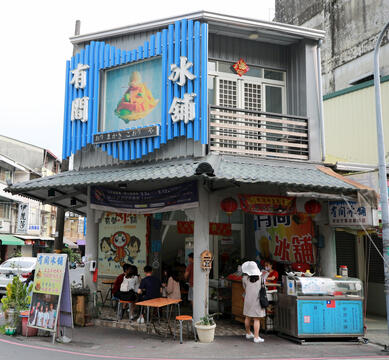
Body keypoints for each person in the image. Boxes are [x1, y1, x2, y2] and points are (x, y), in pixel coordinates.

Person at [241, 261, 266, 343]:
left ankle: (248, 333)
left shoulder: (244, 279)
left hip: (248, 300)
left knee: (247, 317)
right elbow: (263, 288)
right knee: (256, 319)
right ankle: (256, 337)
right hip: (257, 300)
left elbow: (245, 288)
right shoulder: (261, 279)